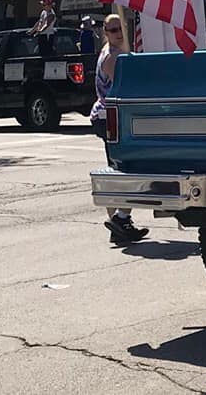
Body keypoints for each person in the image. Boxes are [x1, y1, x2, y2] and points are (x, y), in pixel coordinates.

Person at [91, 14, 148, 243]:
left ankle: (119, 224)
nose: (117, 33)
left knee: (117, 169)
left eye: (119, 28)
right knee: (128, 168)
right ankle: (120, 220)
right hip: (110, 118)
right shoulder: (112, 57)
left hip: (107, 117)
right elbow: (123, 90)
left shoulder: (113, 51)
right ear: (106, 32)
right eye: (112, 30)